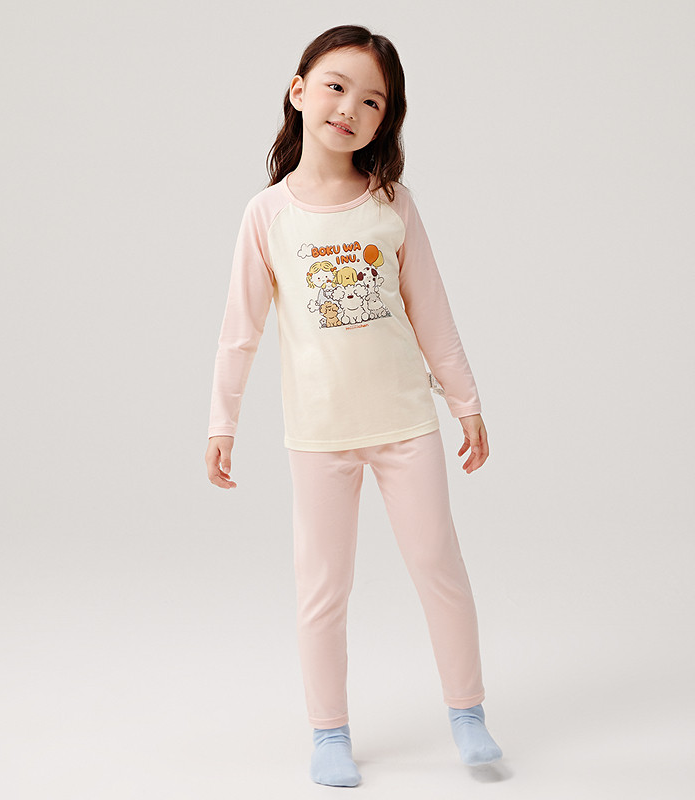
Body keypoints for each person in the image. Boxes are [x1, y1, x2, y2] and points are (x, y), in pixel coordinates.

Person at [205, 24, 503, 788]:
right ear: (299, 90)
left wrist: (465, 401)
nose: (350, 108)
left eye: (373, 101)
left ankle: (468, 715)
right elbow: (240, 330)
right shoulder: (267, 215)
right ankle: (329, 733)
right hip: (319, 434)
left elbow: (432, 311)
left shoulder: (392, 203)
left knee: (438, 565)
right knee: (322, 588)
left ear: (385, 119)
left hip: (406, 424)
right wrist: (222, 422)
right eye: (337, 87)